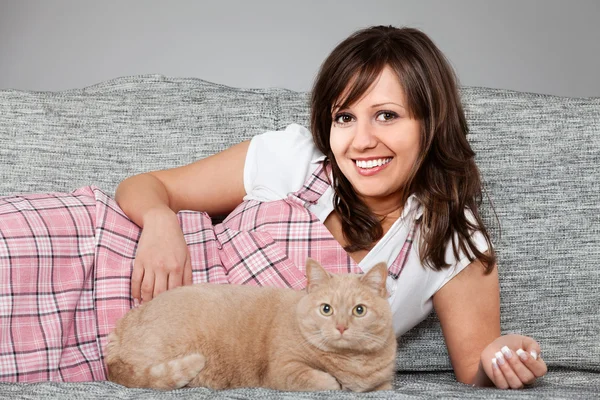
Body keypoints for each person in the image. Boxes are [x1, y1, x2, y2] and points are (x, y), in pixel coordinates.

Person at [0, 26, 546, 389]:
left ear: (432, 123)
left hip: (164, 341)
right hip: (89, 247)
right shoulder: (297, 155)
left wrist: (510, 357)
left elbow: (477, 360)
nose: (360, 141)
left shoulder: (452, 240)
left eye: (387, 116)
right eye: (344, 117)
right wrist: (161, 224)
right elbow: (144, 186)